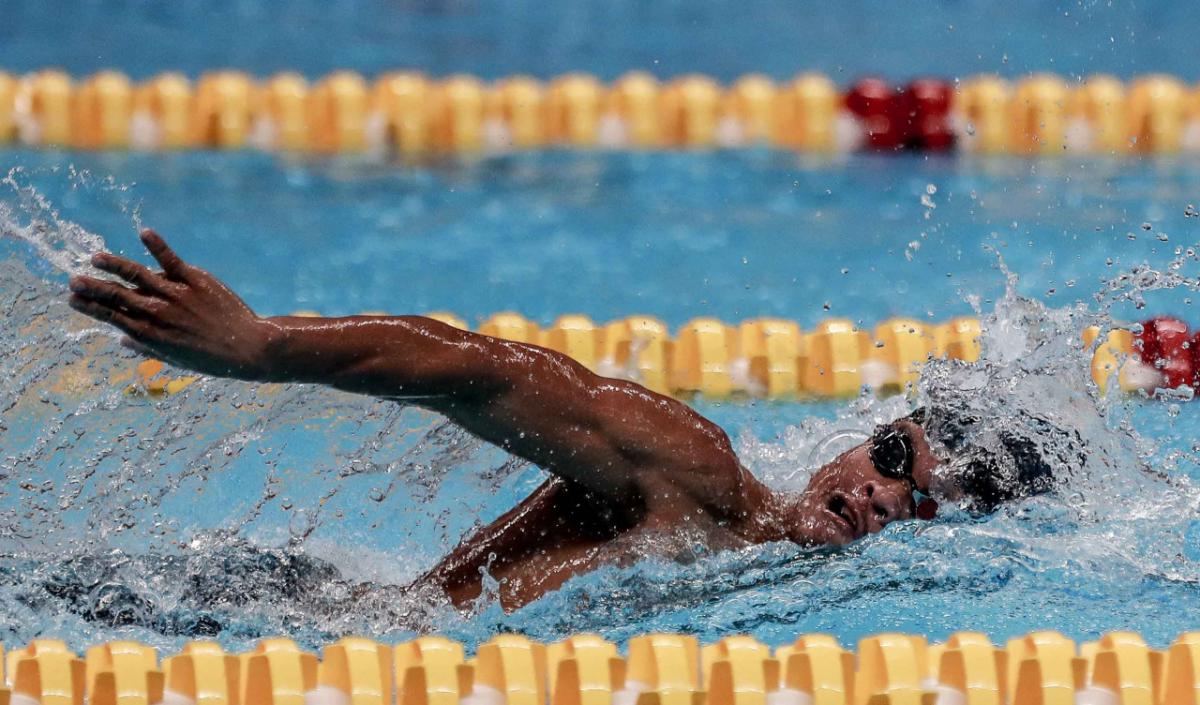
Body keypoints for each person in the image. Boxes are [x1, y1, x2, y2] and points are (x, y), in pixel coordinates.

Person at [66, 230, 1061, 611]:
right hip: (273, 624)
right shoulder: (700, 476)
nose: (881, 495)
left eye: (915, 502)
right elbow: (480, 370)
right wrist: (261, 349)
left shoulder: (780, 578)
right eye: (893, 456)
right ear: (862, 434)